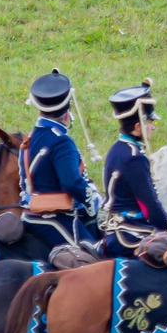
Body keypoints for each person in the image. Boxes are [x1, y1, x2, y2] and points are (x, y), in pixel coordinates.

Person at [18, 71, 103, 264]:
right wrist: (93, 202)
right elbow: (71, 182)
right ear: (67, 112)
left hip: (31, 215)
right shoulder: (61, 141)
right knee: (98, 264)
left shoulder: (31, 137)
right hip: (54, 218)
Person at [96, 79, 167, 259]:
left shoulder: (117, 148)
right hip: (129, 233)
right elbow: (148, 205)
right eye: (151, 122)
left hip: (117, 228)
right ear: (138, 127)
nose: (153, 127)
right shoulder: (134, 157)